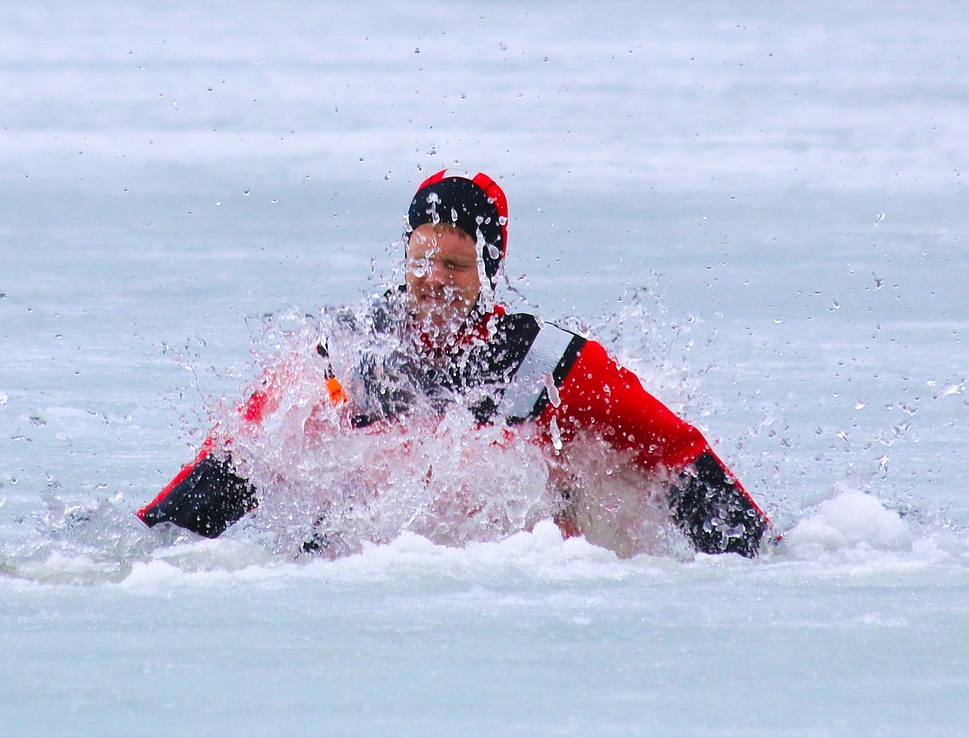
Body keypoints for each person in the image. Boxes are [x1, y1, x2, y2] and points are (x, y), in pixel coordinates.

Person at [138, 170, 771, 557]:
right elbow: (246, 457)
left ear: (488, 273)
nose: (431, 281)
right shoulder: (346, 352)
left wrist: (759, 555)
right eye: (420, 261)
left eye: (454, 267)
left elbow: (674, 451)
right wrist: (152, 545)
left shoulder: (550, 363)